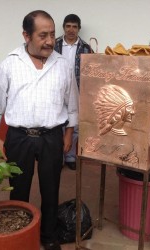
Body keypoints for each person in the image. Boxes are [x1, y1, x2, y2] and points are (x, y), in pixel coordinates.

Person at [0, 10, 78, 250]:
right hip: (19, 137)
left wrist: (68, 133)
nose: (49, 41)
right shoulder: (10, 64)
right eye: (42, 35)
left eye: (52, 35)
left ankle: (48, 237)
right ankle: (20, 235)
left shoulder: (63, 65)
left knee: (50, 188)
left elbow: (73, 102)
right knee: (18, 189)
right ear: (26, 35)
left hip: (52, 137)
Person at [54, 14, 93, 170]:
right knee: (57, 124)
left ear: (79, 29)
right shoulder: (54, 45)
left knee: (74, 124)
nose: (71, 29)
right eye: (68, 26)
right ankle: (57, 157)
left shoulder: (86, 48)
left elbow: (91, 72)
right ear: (63, 27)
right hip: (56, 90)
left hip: (77, 90)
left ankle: (70, 156)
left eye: (74, 26)